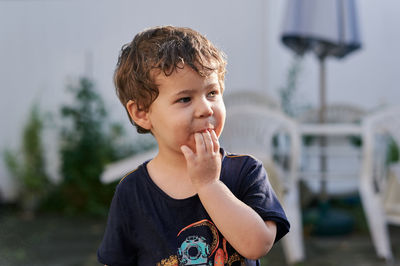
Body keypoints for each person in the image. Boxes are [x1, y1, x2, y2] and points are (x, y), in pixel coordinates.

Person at [97, 25, 289, 266]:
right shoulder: (132, 192)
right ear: (141, 112)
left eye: (212, 93)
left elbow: (257, 245)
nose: (206, 109)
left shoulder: (246, 172)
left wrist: (209, 185)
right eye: (185, 99)